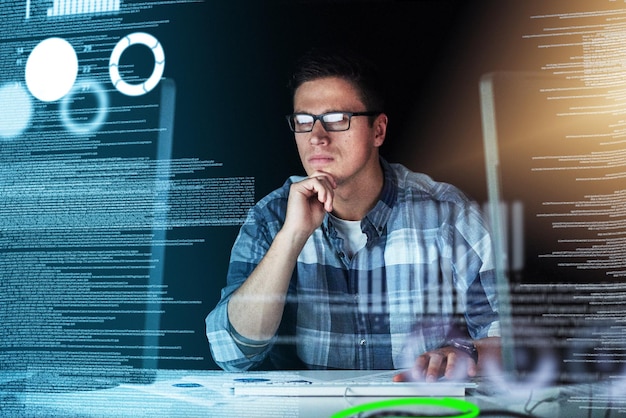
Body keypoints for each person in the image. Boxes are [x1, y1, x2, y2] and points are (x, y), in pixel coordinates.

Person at [206, 47, 501, 382]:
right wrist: (291, 237)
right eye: (303, 122)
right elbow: (231, 354)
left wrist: (466, 353)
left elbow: (510, 339)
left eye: (336, 120)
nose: (317, 137)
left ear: (378, 130)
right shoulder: (270, 218)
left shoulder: (448, 214)